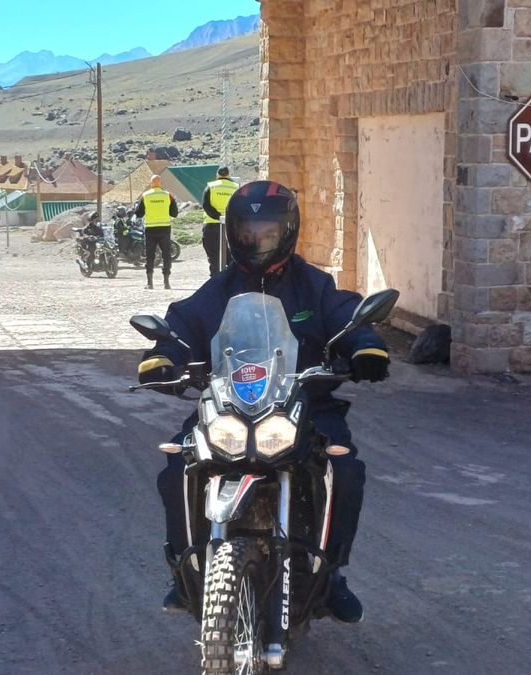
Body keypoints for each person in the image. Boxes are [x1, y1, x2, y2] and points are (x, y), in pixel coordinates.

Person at [137, 180, 390, 623]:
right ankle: (185, 569)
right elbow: (183, 325)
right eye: (248, 231)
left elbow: (348, 318)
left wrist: (366, 348)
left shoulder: (314, 286)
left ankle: (331, 573)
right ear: (233, 233)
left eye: (268, 231)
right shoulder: (218, 290)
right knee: (177, 467)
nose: (258, 240)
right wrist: (163, 357)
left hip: (304, 404)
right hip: (229, 405)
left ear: (288, 231)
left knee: (345, 471)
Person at [133, 175, 179, 289]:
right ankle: (166, 282)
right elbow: (174, 214)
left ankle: (150, 283)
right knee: (166, 255)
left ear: (151, 184)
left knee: (150, 255)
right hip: (165, 228)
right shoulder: (168, 195)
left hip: (150, 229)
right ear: (160, 183)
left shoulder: (145, 195)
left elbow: (139, 214)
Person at [199, 166, 239, 277]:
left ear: (217, 174)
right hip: (230, 226)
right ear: (228, 174)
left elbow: (205, 205)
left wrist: (218, 216)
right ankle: (230, 282)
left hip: (211, 226)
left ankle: (215, 281)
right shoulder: (236, 187)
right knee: (231, 258)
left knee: (213, 258)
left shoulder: (210, 186)